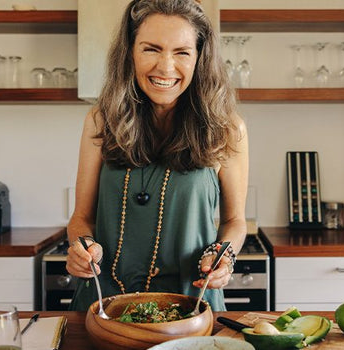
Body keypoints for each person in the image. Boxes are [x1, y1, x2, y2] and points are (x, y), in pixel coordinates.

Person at [65, 0, 248, 313]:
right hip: (105, 307)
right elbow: (81, 218)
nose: (165, 67)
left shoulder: (227, 128)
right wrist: (81, 247)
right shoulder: (100, 120)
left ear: (199, 58)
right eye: (151, 49)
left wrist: (224, 255)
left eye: (182, 52)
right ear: (130, 52)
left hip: (191, 307)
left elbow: (234, 221)